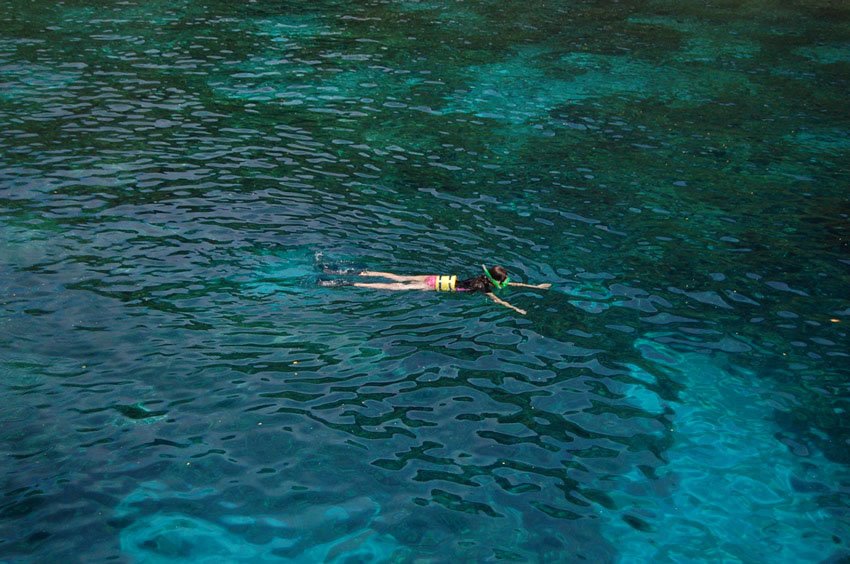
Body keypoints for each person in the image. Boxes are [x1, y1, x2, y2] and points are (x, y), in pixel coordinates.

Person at [319, 264, 550, 315]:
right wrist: (515, 308)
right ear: (495, 281)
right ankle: (352, 283)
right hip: (435, 287)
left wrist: (536, 286)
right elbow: (498, 301)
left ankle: (355, 273)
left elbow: (513, 284)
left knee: (400, 276)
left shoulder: (481, 278)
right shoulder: (482, 288)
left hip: (438, 277)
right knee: (396, 287)